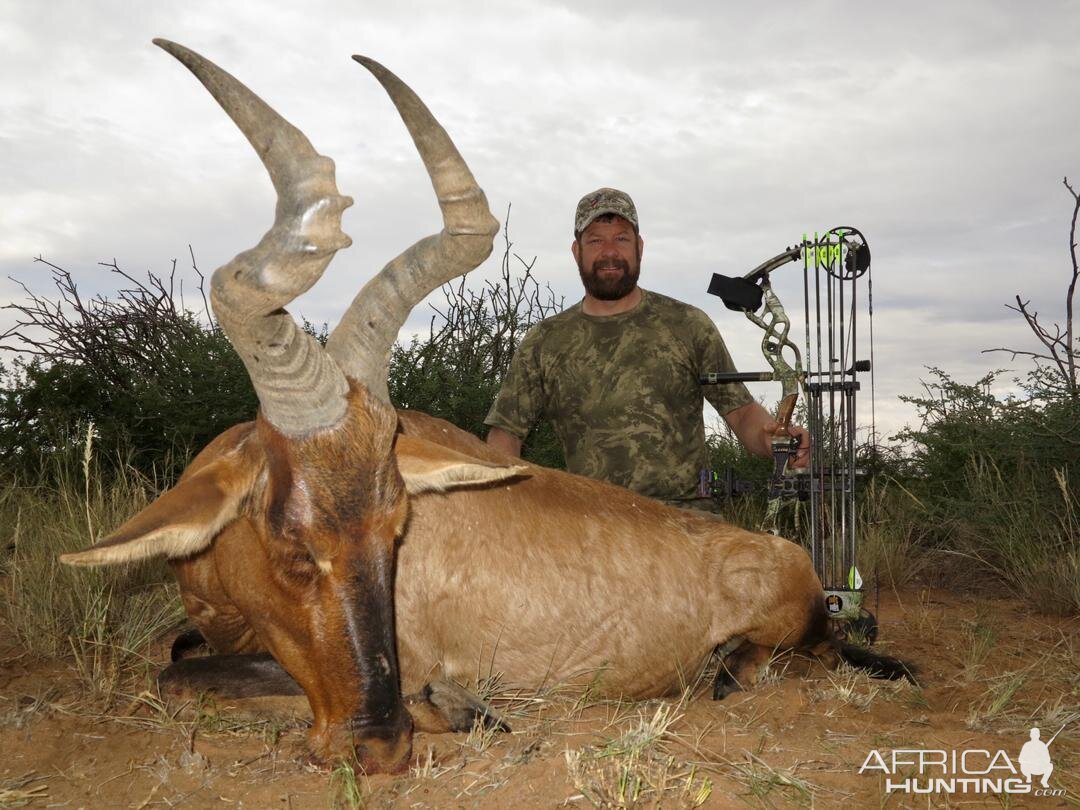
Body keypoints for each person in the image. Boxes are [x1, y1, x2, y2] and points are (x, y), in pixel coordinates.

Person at [484, 187, 808, 509]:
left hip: (687, 525)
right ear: (576, 251)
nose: (609, 252)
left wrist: (775, 441)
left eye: (621, 239)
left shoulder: (688, 324)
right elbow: (505, 436)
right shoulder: (545, 340)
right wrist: (505, 509)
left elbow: (743, 413)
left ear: (640, 247)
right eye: (596, 240)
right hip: (592, 527)